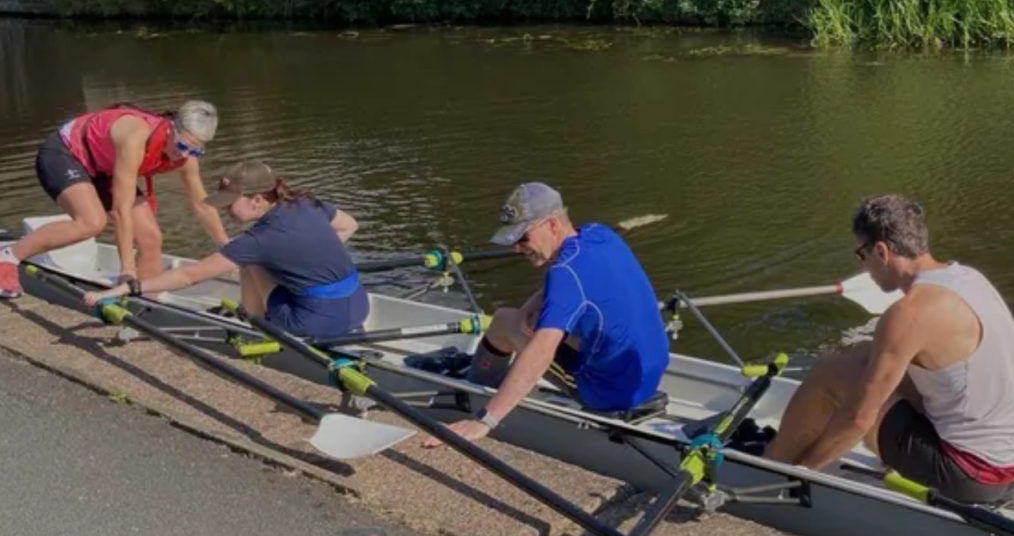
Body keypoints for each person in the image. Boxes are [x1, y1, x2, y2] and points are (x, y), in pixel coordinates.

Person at [764, 194, 1014, 504]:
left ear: (881, 251)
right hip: (1012, 466)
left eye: (861, 254)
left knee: (830, 371)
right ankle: (808, 449)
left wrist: (805, 474)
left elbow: (859, 419)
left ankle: (772, 468)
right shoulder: (968, 278)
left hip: (967, 476)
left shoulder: (909, 313)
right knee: (865, 354)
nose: (862, 266)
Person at [423, 182, 669, 447]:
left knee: (504, 321)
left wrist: (485, 422)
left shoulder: (564, 274)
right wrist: (534, 302)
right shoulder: (600, 234)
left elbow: (541, 353)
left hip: (607, 392)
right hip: (649, 373)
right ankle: (489, 378)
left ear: (552, 225)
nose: (517, 248)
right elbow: (582, 284)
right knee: (531, 321)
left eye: (523, 238)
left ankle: (472, 394)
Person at [81, 161, 369, 340]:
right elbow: (348, 226)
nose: (225, 209)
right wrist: (305, 256)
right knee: (264, 261)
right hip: (359, 305)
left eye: (230, 202)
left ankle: (255, 324)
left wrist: (127, 289)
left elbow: (189, 276)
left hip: (312, 323)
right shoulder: (306, 203)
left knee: (249, 261)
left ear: (257, 200)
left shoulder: (258, 240)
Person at [0, 101, 227, 298]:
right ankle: (8, 258)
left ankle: (146, 303)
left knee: (151, 238)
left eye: (195, 151)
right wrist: (126, 268)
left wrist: (226, 247)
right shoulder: (135, 137)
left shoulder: (186, 157)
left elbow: (202, 205)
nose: (185, 155)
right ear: (170, 128)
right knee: (91, 223)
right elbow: (121, 210)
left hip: (105, 167)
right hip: (66, 154)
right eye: (182, 146)